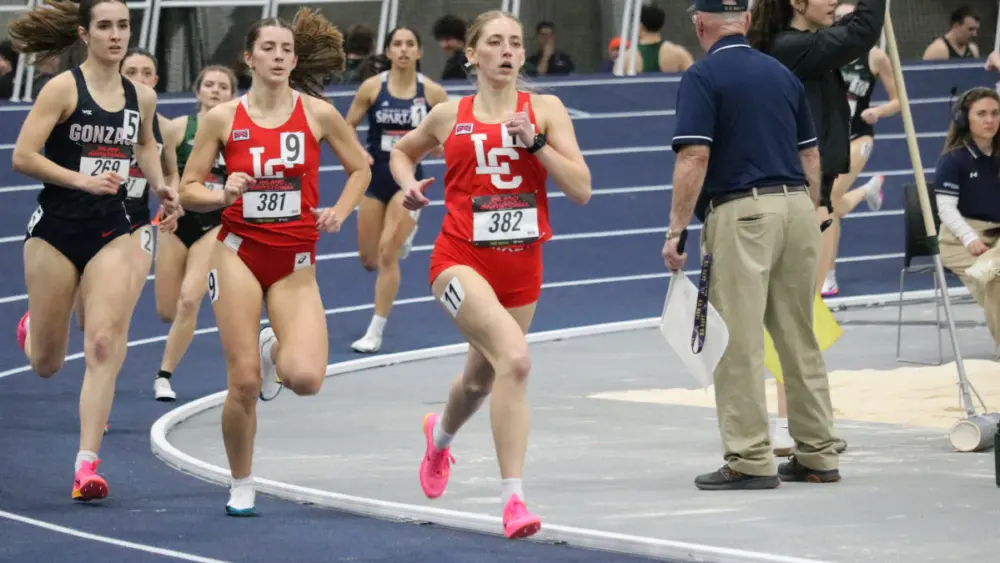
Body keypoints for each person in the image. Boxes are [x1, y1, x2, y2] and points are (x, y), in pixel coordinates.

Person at [390, 9, 592, 539]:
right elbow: (401, 151)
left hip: (522, 265)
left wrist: (538, 146)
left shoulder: (545, 110)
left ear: (523, 56)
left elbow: (582, 189)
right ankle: (513, 501)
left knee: (480, 380)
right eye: (496, 42)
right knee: (517, 361)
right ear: (472, 54)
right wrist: (407, 184)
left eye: (516, 43)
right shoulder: (447, 114)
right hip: (459, 259)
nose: (507, 51)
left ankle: (439, 439)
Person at [178, 8, 370, 516]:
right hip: (238, 252)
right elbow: (188, 188)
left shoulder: (317, 113)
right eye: (269, 48)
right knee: (241, 381)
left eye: (287, 49)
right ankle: (242, 481)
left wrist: (340, 211)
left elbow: (360, 169)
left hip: (296, 259)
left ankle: (273, 346)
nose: (279, 56)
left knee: (306, 379)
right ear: (249, 57)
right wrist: (222, 191)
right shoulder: (223, 118)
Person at [664, 0, 840, 491]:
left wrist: (675, 230)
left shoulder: (702, 77)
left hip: (742, 212)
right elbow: (810, 153)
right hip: (797, 209)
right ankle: (818, 452)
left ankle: (749, 458)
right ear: (744, 21)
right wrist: (810, 207)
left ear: (699, 24)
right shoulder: (781, 74)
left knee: (738, 341)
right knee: (797, 334)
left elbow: (695, 156)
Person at [9, 0, 181, 501]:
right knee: (47, 362)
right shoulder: (63, 88)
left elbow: (146, 145)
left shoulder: (141, 97)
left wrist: (161, 184)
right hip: (56, 231)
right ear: (85, 34)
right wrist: (80, 181)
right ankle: (33, 330)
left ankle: (86, 465)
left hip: (114, 229)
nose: (116, 35)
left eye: (123, 26)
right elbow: (23, 156)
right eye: (105, 26)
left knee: (105, 342)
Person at [748, 0, 885, 454]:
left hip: (814, 195)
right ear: (797, 3)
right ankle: (789, 427)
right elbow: (861, 30)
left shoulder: (802, 44)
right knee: (791, 317)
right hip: (792, 196)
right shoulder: (790, 47)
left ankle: (804, 424)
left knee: (801, 316)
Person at [344, 27, 448, 354]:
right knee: (369, 259)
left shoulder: (432, 93)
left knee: (389, 253)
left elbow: (450, 134)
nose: (403, 50)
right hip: (376, 179)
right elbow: (347, 127)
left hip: (409, 181)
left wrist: (439, 147)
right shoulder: (372, 88)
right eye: (397, 44)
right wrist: (358, 152)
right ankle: (403, 236)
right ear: (388, 52)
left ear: (418, 52)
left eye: (410, 44)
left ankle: (375, 330)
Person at [152, 64, 237, 401]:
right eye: (210, 85)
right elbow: (165, 174)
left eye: (223, 86)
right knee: (167, 311)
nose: (215, 91)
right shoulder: (176, 129)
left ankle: (164, 375)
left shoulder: (237, 134)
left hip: (214, 223)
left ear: (234, 95)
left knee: (190, 299)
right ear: (197, 91)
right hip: (176, 221)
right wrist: (170, 200)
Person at [817, 0, 899, 299]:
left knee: (828, 201)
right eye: (836, 17)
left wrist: (878, 111)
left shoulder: (875, 57)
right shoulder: (823, 52)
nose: (842, 23)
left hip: (858, 137)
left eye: (848, 18)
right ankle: (867, 192)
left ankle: (828, 275)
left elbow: (898, 100)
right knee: (828, 205)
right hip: (828, 139)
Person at [935, 87, 1000, 349]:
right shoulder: (953, 160)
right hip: (960, 240)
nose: (989, 120)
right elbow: (946, 209)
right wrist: (969, 237)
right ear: (965, 119)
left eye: (995, 113)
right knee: (996, 279)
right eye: (981, 113)